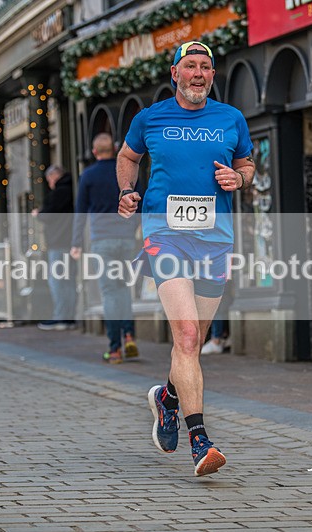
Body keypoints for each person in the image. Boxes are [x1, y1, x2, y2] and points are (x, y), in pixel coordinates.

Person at [117, 41, 255, 476]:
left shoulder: (231, 118)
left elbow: (247, 164)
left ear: (212, 76)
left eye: (205, 68)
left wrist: (239, 177)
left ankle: (168, 398)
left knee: (191, 342)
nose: (197, 73)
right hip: (165, 235)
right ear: (174, 72)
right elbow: (127, 157)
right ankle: (200, 441)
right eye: (189, 66)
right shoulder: (150, 118)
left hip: (215, 240)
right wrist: (126, 191)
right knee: (189, 337)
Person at [71, 133, 139, 364]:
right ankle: (129, 335)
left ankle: (115, 349)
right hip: (127, 238)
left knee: (110, 293)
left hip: (103, 241)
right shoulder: (125, 172)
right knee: (124, 289)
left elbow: (80, 212)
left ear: (94, 151)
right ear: (115, 149)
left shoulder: (88, 175)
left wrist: (76, 244)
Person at [33, 165, 77, 331]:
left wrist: (39, 214)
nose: (49, 184)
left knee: (57, 281)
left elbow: (49, 213)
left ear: (54, 177)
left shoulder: (60, 192)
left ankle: (62, 317)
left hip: (59, 242)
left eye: (49, 180)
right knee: (68, 280)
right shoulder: (72, 189)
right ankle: (68, 316)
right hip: (69, 241)